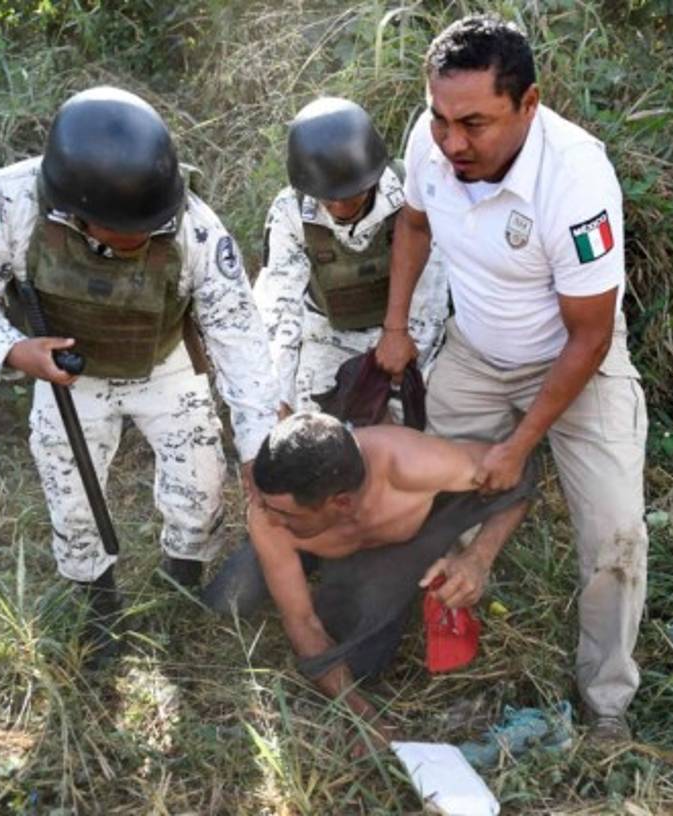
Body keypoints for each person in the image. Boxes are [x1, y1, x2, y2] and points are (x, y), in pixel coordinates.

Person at [374, 16, 648, 741]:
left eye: (474, 123)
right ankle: (446, 632)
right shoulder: (432, 137)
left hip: (573, 361)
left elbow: (589, 336)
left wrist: (524, 441)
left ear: (529, 104)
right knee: (428, 500)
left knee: (614, 532)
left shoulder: (578, 181)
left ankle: (607, 699)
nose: (452, 142)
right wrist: (396, 327)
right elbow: (415, 225)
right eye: (439, 118)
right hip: (475, 348)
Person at [0, 86, 279, 657]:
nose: (144, 237)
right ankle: (100, 608)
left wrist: (256, 448)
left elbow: (241, 341)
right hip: (68, 376)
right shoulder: (11, 201)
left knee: (201, 487)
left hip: (165, 364)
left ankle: (177, 587)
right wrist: (15, 349)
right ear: (79, 212)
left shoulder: (194, 226)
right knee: (71, 499)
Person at [248, 412, 535, 745]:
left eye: (282, 512)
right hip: (309, 542)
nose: (267, 516)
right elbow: (302, 622)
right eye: (266, 505)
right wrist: (364, 718)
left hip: (392, 543)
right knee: (232, 597)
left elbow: (521, 471)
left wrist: (478, 557)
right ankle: (297, 554)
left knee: (361, 663)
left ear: (341, 502)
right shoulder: (265, 519)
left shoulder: (411, 464)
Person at [253, 97, 448, 415]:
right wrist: (279, 397)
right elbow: (279, 309)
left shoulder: (407, 193)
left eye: (350, 195)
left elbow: (432, 293)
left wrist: (408, 365)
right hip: (326, 333)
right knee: (313, 435)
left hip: (406, 327)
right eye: (329, 199)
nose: (340, 207)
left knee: (419, 422)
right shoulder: (290, 212)